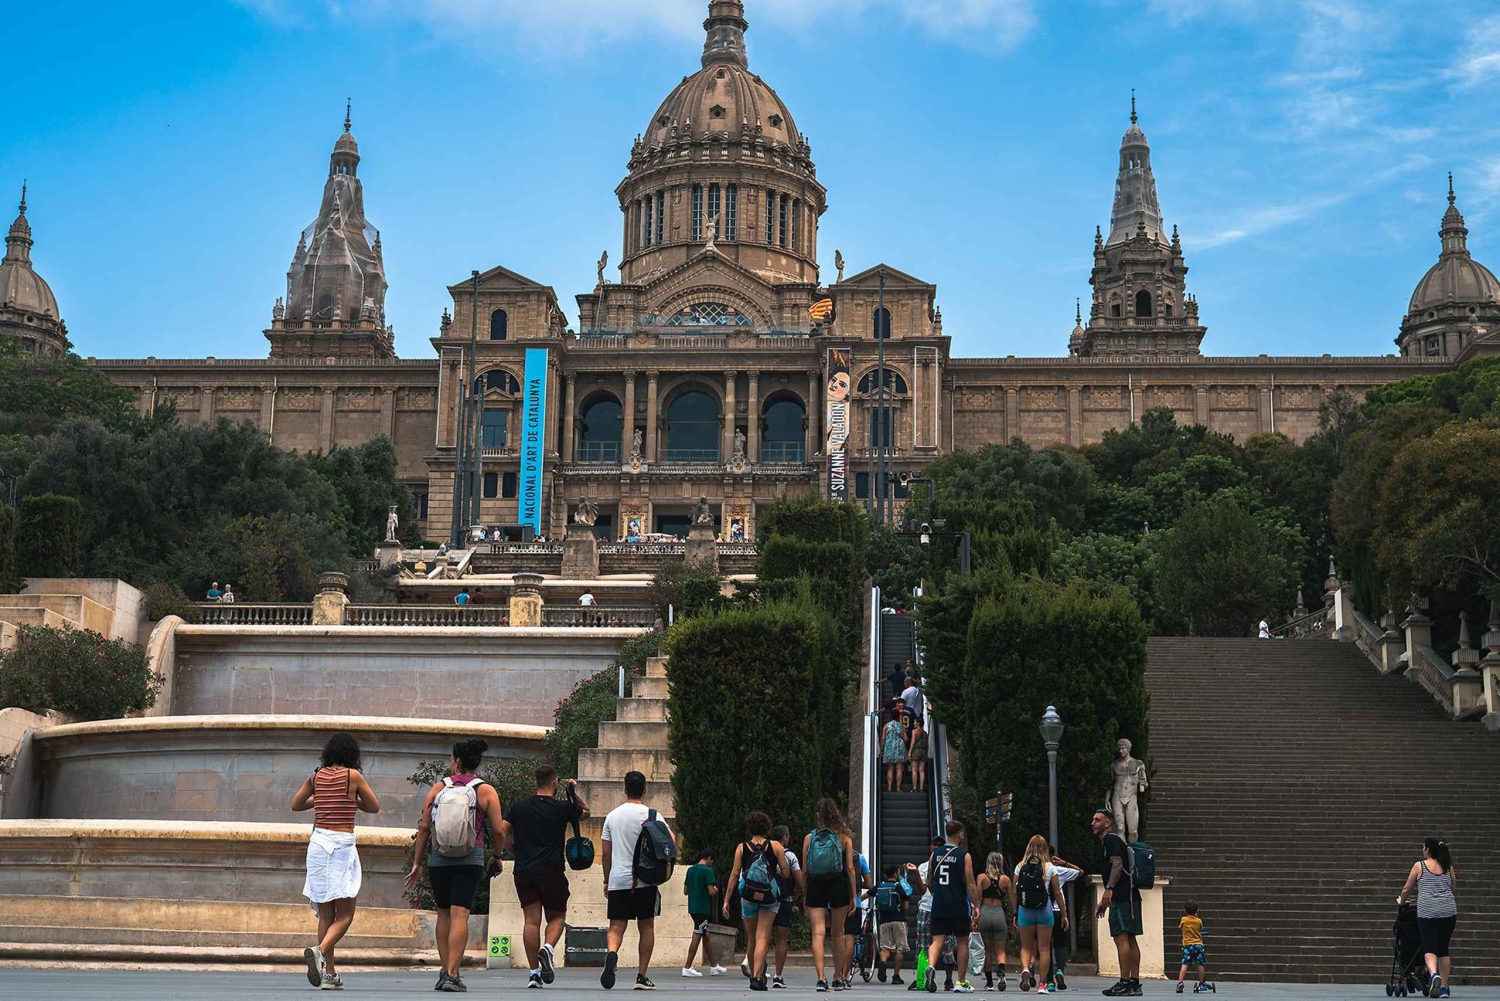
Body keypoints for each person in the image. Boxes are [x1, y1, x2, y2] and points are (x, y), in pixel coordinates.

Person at [407, 738, 504, 993]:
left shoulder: (438, 788)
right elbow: (498, 829)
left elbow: (425, 827)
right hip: (470, 858)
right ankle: (453, 973)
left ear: (457, 761)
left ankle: (444, 970)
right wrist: (497, 854)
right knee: (460, 915)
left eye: (451, 758)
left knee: (443, 914)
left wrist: (417, 862)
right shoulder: (486, 791)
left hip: (439, 859)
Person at [291, 731, 381, 991]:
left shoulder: (316, 776)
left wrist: (319, 799)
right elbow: (374, 806)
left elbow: (296, 804)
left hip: (318, 844)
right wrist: (352, 800)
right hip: (341, 845)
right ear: (352, 755)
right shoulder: (353, 776)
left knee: (326, 914)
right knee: (346, 914)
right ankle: (319, 951)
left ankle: (329, 974)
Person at [497, 763, 589, 989]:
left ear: (536, 782)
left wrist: (513, 851)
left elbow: (501, 830)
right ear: (555, 782)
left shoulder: (520, 807)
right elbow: (586, 813)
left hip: (524, 871)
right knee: (557, 917)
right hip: (552, 871)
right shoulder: (562, 808)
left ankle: (534, 974)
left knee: (530, 920)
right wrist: (572, 792)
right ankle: (547, 948)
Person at [600, 770, 675, 991]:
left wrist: (606, 879)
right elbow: (670, 842)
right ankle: (641, 976)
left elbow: (606, 853)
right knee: (646, 925)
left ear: (624, 789)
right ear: (644, 790)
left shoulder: (612, 816)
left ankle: (612, 954)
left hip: (618, 879)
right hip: (645, 879)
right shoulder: (653, 815)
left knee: (616, 926)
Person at [721, 811, 791, 991]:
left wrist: (727, 900)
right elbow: (785, 871)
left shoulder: (741, 847)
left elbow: (735, 874)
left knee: (752, 938)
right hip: (769, 897)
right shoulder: (775, 846)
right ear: (767, 828)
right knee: (763, 936)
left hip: (748, 897)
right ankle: (757, 977)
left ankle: (753, 974)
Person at [802, 797, 858, 992]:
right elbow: (850, 868)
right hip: (838, 885)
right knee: (838, 933)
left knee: (818, 932)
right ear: (836, 814)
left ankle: (820, 978)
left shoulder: (810, 838)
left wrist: (804, 892)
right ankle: (838, 977)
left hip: (816, 885)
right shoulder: (844, 838)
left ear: (819, 815)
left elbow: (805, 870)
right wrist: (853, 896)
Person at [1397, 837, 1458, 999]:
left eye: (1423, 848)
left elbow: (1406, 888)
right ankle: (1444, 989)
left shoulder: (1420, 866)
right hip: (1448, 911)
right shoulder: (1448, 866)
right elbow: (1453, 888)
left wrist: (1402, 902)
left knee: (1430, 948)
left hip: (1427, 912)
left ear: (1428, 850)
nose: (1422, 850)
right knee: (1443, 949)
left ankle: (1433, 976)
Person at [924, 820, 978, 994]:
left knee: (937, 940)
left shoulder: (935, 855)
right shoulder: (964, 856)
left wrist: (937, 893)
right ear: (960, 833)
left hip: (939, 904)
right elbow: (970, 882)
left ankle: (931, 966)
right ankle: (960, 981)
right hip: (958, 905)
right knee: (962, 941)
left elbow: (929, 881)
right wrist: (976, 904)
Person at [1093, 809, 1143, 997]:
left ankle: (1125, 982)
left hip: (1122, 897)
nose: (1093, 823)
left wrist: (1109, 889)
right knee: (1130, 938)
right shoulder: (1114, 841)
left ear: (1108, 823)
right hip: (1130, 896)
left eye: (1097, 820)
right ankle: (1134, 983)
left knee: (1121, 938)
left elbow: (1117, 864)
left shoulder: (1110, 840)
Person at [1012, 835, 1068, 994]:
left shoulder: (1020, 866)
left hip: (1025, 911)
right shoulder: (1050, 867)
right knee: (1044, 948)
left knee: (1026, 947)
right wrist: (1064, 915)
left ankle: (1025, 969)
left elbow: (1014, 891)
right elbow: (1057, 893)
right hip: (1045, 910)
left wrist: (1015, 913)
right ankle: (1042, 985)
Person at [912, 836, 957, 993]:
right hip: (928, 907)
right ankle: (922, 977)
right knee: (924, 946)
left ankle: (948, 978)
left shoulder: (951, 863)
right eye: (934, 844)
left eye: (940, 845)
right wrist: (917, 873)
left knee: (947, 946)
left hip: (942, 908)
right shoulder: (924, 867)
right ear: (930, 847)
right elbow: (921, 890)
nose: (936, 847)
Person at [767, 823, 805, 988]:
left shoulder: (764, 852)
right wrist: (800, 892)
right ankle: (778, 976)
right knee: (781, 939)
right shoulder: (790, 856)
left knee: (762, 937)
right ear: (785, 837)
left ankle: (759, 973)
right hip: (784, 900)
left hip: (765, 900)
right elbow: (799, 879)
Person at [873, 862, 921, 984]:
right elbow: (905, 906)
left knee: (885, 947)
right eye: (898, 872)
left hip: (884, 921)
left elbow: (866, 894)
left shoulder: (880, 885)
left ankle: (883, 962)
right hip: (898, 919)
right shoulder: (898, 886)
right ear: (895, 873)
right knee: (900, 949)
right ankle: (896, 976)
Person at [682, 850, 726, 977]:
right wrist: (717, 889)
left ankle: (714, 966)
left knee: (705, 934)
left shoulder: (690, 870)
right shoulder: (707, 871)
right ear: (709, 858)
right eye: (712, 860)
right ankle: (687, 966)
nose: (712, 863)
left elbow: (685, 890)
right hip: (703, 908)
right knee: (698, 932)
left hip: (693, 907)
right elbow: (711, 891)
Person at [975, 852, 1013, 991]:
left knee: (987, 950)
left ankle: (989, 983)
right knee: (1000, 950)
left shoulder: (982, 878)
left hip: (985, 913)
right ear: (1001, 863)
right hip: (998, 913)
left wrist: (976, 911)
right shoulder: (1005, 880)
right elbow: (1011, 898)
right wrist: (1014, 914)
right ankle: (1001, 972)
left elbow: (978, 898)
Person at [1045, 852, 1083, 991]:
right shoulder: (1058, 870)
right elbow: (1080, 872)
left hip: (1043, 912)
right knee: (1060, 944)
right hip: (1059, 911)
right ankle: (1060, 969)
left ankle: (1049, 981)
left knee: (1045, 948)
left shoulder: (1036, 869)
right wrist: (1063, 862)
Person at [837, 849, 873, 986]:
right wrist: (856, 883)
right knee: (850, 939)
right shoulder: (859, 858)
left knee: (837, 937)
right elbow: (869, 885)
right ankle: (844, 976)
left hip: (836, 902)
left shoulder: (833, 855)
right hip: (855, 903)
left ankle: (837, 974)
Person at [1174, 900, 1214, 994]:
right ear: (1197, 910)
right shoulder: (1198, 921)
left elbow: (1181, 927)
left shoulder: (1184, 920)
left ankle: (1180, 982)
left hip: (1188, 945)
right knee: (1200, 964)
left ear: (1185, 910)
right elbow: (1200, 929)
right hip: (1198, 945)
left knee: (1185, 964)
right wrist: (1196, 918)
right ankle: (1201, 983)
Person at [883, 710, 909, 793]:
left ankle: (890, 787)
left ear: (890, 716)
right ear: (898, 717)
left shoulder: (886, 726)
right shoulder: (901, 726)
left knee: (890, 769)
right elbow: (905, 738)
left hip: (889, 747)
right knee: (899, 768)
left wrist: (882, 747)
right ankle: (898, 788)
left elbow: (883, 739)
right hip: (899, 747)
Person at [908, 718, 929, 795]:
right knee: (922, 770)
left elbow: (913, 742)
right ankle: (921, 788)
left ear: (918, 723)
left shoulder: (914, 731)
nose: (913, 723)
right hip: (923, 751)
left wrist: (909, 752)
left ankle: (914, 788)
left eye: (914, 722)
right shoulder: (925, 733)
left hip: (916, 751)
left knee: (914, 770)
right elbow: (927, 744)